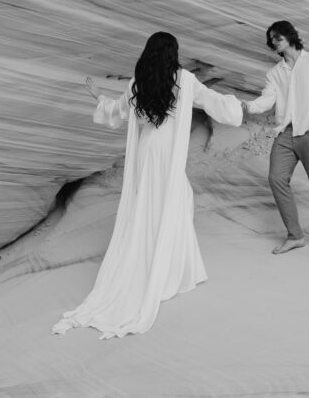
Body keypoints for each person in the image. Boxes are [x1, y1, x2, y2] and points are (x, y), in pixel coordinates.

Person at [52, 32, 243, 339]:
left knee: (151, 207)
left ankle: (167, 264)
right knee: (174, 202)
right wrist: (238, 106)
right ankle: (171, 271)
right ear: (173, 53)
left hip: (146, 153)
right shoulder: (184, 80)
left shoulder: (139, 82)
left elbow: (116, 111)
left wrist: (95, 94)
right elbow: (216, 103)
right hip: (167, 154)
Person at [242, 20, 309, 260]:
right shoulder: (274, 73)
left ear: (289, 36)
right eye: (271, 39)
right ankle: (295, 236)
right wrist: (247, 106)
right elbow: (267, 100)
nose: (273, 42)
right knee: (276, 179)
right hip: (285, 134)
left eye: (277, 37)